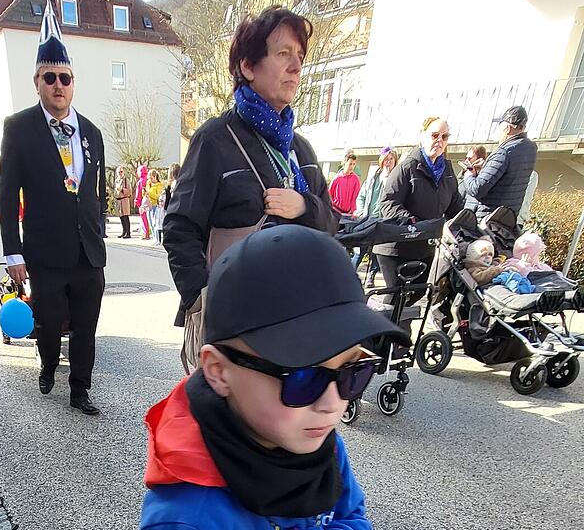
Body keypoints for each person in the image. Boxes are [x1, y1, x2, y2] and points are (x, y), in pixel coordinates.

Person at [140, 225, 408, 530]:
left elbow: (351, 514)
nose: (333, 404)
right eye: (302, 376)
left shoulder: (316, 438)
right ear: (218, 370)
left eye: (353, 371)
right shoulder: (190, 517)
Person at [163, 6, 338, 328]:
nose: (296, 66)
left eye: (299, 55)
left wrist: (303, 206)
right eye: (283, 53)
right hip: (234, 321)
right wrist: (202, 299)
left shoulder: (301, 149)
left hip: (297, 314)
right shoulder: (215, 140)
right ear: (247, 66)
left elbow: (331, 225)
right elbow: (179, 227)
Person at [0, 0, 107, 415]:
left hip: (88, 254)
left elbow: (93, 193)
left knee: (86, 329)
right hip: (43, 254)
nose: (58, 85)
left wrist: (99, 236)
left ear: (73, 82)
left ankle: (80, 390)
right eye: (49, 78)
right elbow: (8, 195)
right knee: (47, 325)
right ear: (37, 83)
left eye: (64, 78)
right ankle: (47, 365)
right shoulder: (20, 129)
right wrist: (13, 252)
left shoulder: (92, 133)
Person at [373, 117, 463, 302]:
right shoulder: (408, 166)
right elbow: (388, 202)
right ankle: (381, 329)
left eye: (445, 137)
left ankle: (399, 330)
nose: (439, 140)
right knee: (395, 300)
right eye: (435, 135)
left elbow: (455, 206)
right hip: (396, 247)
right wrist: (411, 221)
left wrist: (465, 224)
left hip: (425, 246)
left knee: (417, 295)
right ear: (423, 136)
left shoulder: (447, 170)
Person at [463, 105, 537, 221]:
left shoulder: (503, 152)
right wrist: (487, 167)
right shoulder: (529, 150)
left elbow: (477, 189)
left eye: (499, 126)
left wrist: (468, 175)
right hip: (507, 220)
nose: (497, 131)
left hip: (487, 219)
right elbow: (507, 177)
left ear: (507, 128)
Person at [353, 147, 398, 288]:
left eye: (391, 159)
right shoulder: (373, 178)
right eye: (386, 159)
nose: (388, 162)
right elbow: (362, 196)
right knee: (360, 249)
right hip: (369, 218)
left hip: (384, 220)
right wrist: (360, 210)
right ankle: (349, 273)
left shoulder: (397, 178)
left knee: (377, 251)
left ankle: (371, 276)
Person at [146, 169, 165, 245]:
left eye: (151, 178)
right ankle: (154, 237)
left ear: (155, 176)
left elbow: (158, 196)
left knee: (155, 223)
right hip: (149, 204)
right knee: (150, 222)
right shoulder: (149, 184)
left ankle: (157, 238)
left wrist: (149, 193)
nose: (150, 179)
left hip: (155, 205)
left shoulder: (159, 185)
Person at [114, 165, 132, 239]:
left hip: (124, 199)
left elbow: (129, 191)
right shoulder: (116, 180)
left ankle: (128, 233)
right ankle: (124, 231)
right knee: (121, 217)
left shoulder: (126, 180)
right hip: (119, 200)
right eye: (119, 172)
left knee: (125, 217)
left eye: (121, 171)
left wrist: (121, 189)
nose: (120, 173)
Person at [135, 164, 150, 240]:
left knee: (144, 218)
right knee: (149, 218)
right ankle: (149, 232)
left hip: (142, 202)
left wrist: (137, 201)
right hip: (150, 201)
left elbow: (138, 193)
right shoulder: (148, 179)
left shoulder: (140, 182)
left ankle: (146, 233)